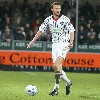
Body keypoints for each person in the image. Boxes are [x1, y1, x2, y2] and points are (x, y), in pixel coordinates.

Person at [27, 2, 75, 96]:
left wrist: (71, 42)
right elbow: (41, 30)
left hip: (64, 44)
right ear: (52, 9)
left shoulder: (65, 19)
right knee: (58, 68)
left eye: (59, 8)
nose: (58, 10)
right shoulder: (48, 20)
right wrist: (33, 41)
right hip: (55, 45)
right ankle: (69, 82)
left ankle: (55, 89)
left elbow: (72, 30)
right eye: (56, 8)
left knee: (56, 65)